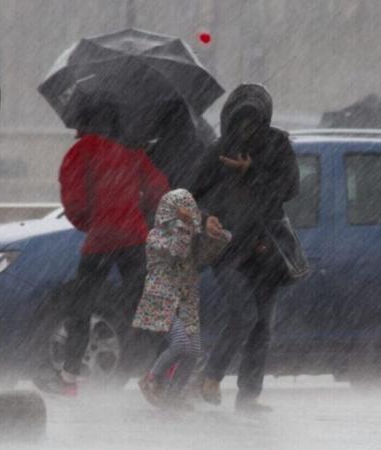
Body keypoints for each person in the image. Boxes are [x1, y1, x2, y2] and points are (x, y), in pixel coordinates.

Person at [37, 104, 170, 396]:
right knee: (145, 305)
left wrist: (92, 221)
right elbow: (160, 188)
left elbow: (73, 201)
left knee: (81, 307)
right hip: (135, 238)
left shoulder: (81, 151)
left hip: (101, 240)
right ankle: (169, 370)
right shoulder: (131, 150)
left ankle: (69, 379)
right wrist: (137, 212)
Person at [189, 84, 300, 411]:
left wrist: (253, 172)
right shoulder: (217, 151)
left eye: (254, 122)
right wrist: (206, 218)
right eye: (241, 122)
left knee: (263, 325)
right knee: (244, 314)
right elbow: (192, 196)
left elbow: (290, 188)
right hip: (227, 250)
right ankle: (210, 376)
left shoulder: (277, 146)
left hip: (266, 249)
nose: (247, 130)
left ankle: (249, 395)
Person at [132, 189, 230, 408]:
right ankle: (151, 379)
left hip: (185, 301)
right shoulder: (155, 237)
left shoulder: (192, 239)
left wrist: (217, 235)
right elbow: (176, 250)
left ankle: (174, 394)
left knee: (194, 350)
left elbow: (207, 255)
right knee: (181, 343)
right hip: (161, 299)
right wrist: (186, 226)